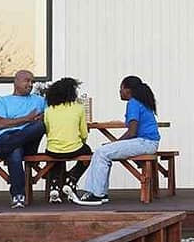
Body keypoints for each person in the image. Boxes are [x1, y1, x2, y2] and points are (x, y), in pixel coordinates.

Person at [65, 75, 160, 206]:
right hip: (149, 143)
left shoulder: (133, 102)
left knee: (102, 152)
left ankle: (97, 194)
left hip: (145, 142)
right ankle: (100, 193)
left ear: (128, 89)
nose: (119, 91)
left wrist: (114, 143)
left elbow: (132, 132)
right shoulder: (141, 102)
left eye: (121, 88)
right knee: (103, 151)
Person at [0, 70, 47, 209]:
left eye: (32, 82)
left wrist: (43, 117)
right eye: (27, 81)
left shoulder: (39, 100)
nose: (30, 84)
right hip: (7, 138)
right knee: (15, 151)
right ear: (16, 82)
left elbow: (50, 117)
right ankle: (18, 195)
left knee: (39, 126)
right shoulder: (3, 101)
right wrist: (26, 119)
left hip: (28, 143)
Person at [42, 77, 91, 204]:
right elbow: (84, 133)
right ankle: (71, 179)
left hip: (52, 149)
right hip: (74, 148)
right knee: (89, 154)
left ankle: (55, 185)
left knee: (56, 157)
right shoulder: (78, 108)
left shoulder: (48, 110)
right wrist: (82, 142)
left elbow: (47, 131)